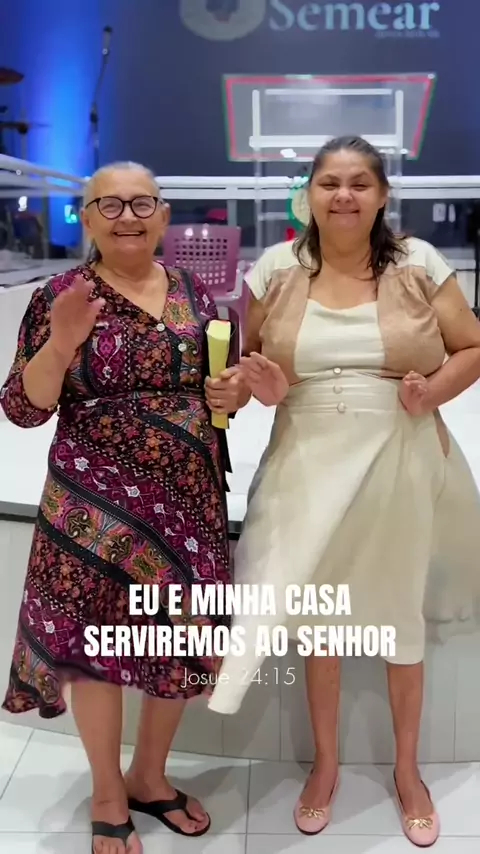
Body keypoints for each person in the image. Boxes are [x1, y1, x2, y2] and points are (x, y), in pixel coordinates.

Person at [207, 136, 480, 847]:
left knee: (398, 616)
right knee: (318, 621)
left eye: (360, 182)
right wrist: (260, 387)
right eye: (330, 182)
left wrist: (432, 392)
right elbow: (248, 368)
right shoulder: (275, 269)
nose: (344, 195)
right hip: (305, 460)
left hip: (399, 455)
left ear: (383, 195)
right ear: (310, 195)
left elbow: (473, 346)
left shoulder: (419, 263)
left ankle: (408, 773)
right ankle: (325, 766)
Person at [0, 161, 241, 854]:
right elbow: (23, 408)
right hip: (93, 511)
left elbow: (218, 388)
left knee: (177, 642)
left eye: (141, 204)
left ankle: (149, 777)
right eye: (109, 204)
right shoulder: (60, 296)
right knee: (96, 651)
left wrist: (235, 393)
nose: (127, 216)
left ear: (163, 217)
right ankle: (108, 791)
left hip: (186, 503)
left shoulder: (195, 292)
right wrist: (61, 343)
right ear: (86, 218)